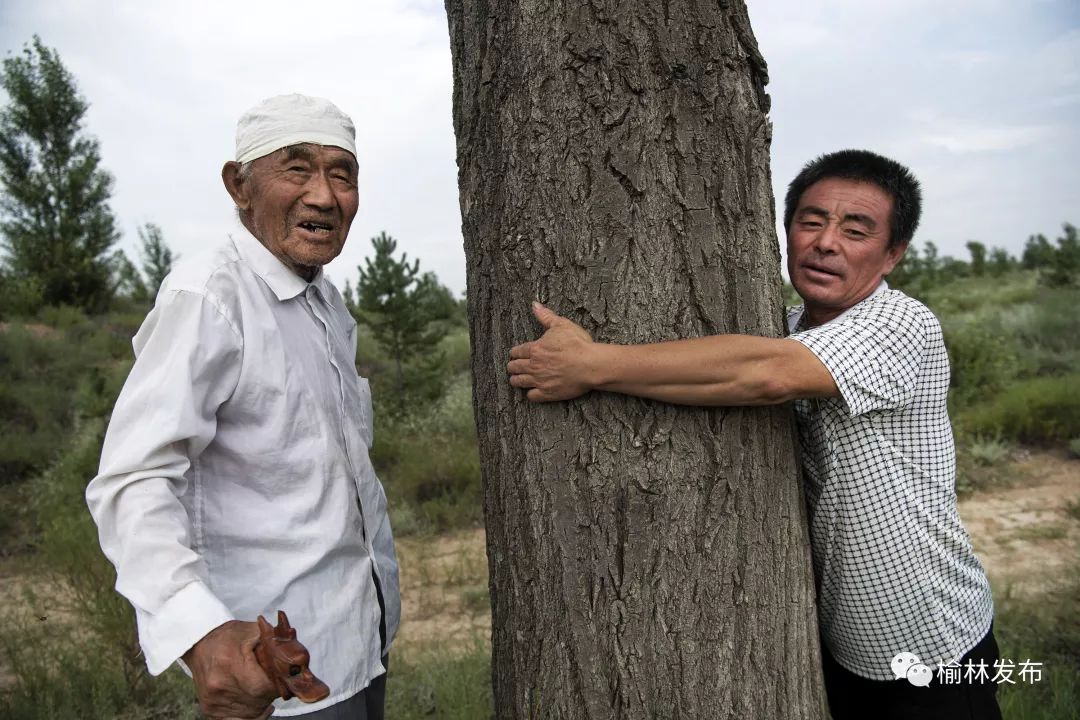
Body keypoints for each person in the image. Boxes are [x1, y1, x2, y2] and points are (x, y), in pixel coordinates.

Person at [506, 149, 1001, 719]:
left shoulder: (902, 324)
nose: (825, 242)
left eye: (856, 229)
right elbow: (736, 372)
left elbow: (766, 376)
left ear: (893, 253)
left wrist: (592, 365)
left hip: (935, 649)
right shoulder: (787, 328)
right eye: (811, 221)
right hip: (839, 646)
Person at [86, 94, 399, 720]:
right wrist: (199, 632)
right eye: (297, 168)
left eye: (343, 174)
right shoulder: (210, 297)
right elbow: (133, 479)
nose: (324, 195)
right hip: (268, 676)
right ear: (239, 186)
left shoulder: (327, 302)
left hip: (357, 643)